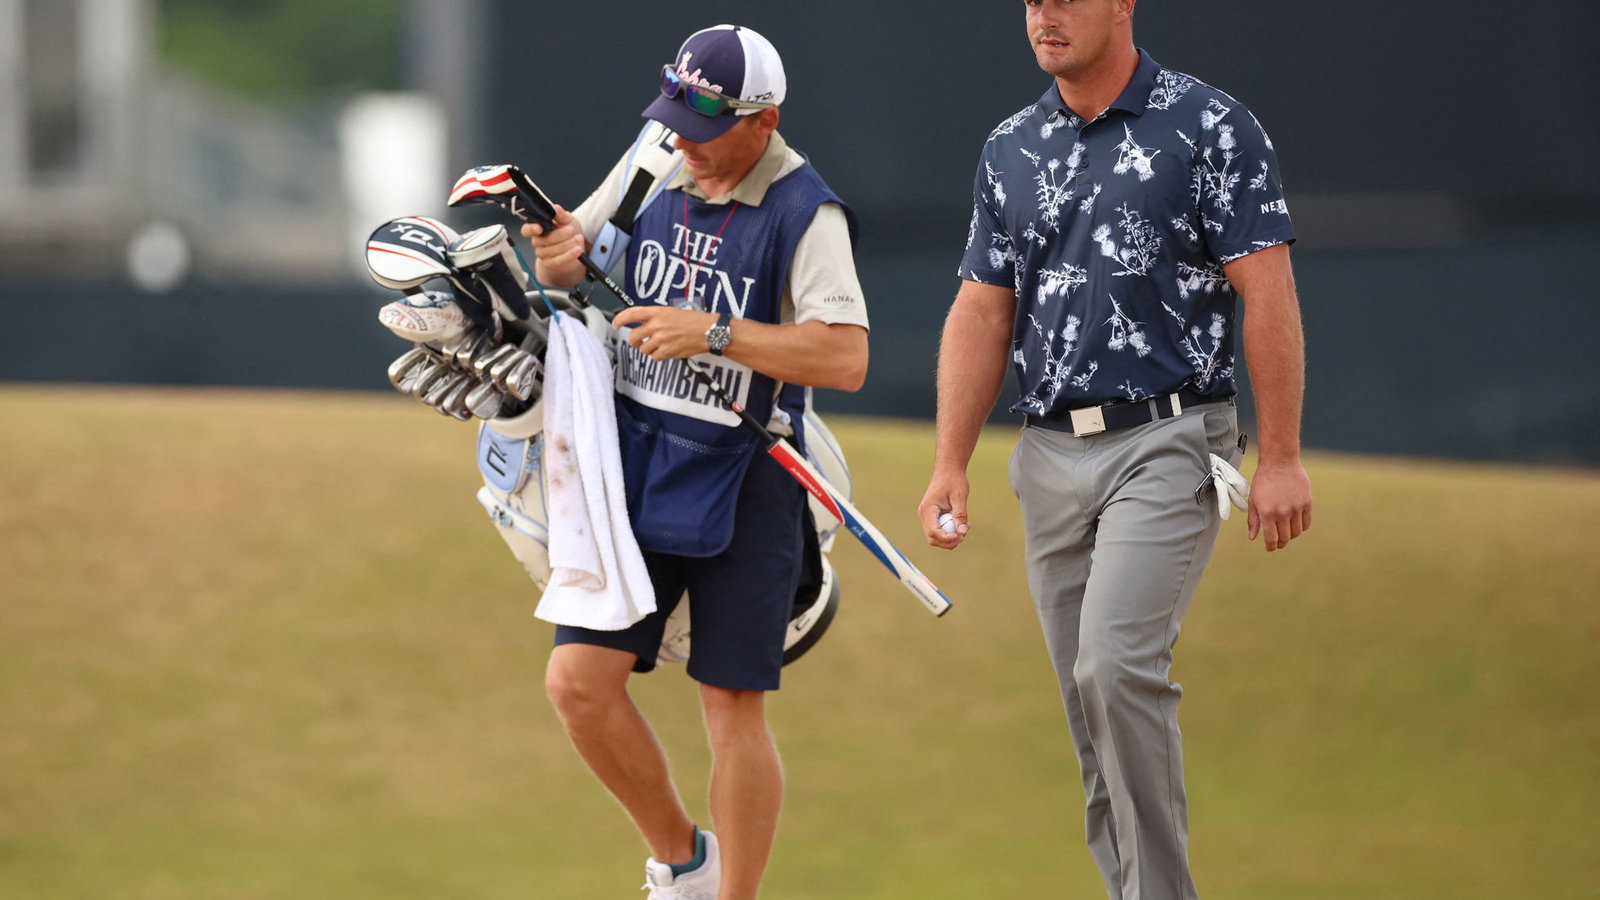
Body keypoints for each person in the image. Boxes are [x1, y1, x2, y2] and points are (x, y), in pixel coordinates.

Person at [917, 1, 1312, 898]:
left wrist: (1281, 457)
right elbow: (983, 307)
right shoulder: (1009, 145)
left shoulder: (1209, 123)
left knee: (1115, 667)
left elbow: (1270, 291)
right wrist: (951, 461)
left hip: (1171, 439)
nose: (1044, 16)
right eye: (1031, 1)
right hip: (1049, 454)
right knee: (1087, 708)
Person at [522, 24, 869, 900]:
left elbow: (845, 357)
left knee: (730, 706)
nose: (683, 140)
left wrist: (712, 333)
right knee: (578, 685)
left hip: (748, 474)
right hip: (632, 462)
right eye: (674, 116)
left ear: (763, 121)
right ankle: (684, 864)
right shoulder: (658, 156)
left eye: (703, 126)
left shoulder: (806, 210)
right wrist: (556, 256)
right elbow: (577, 260)